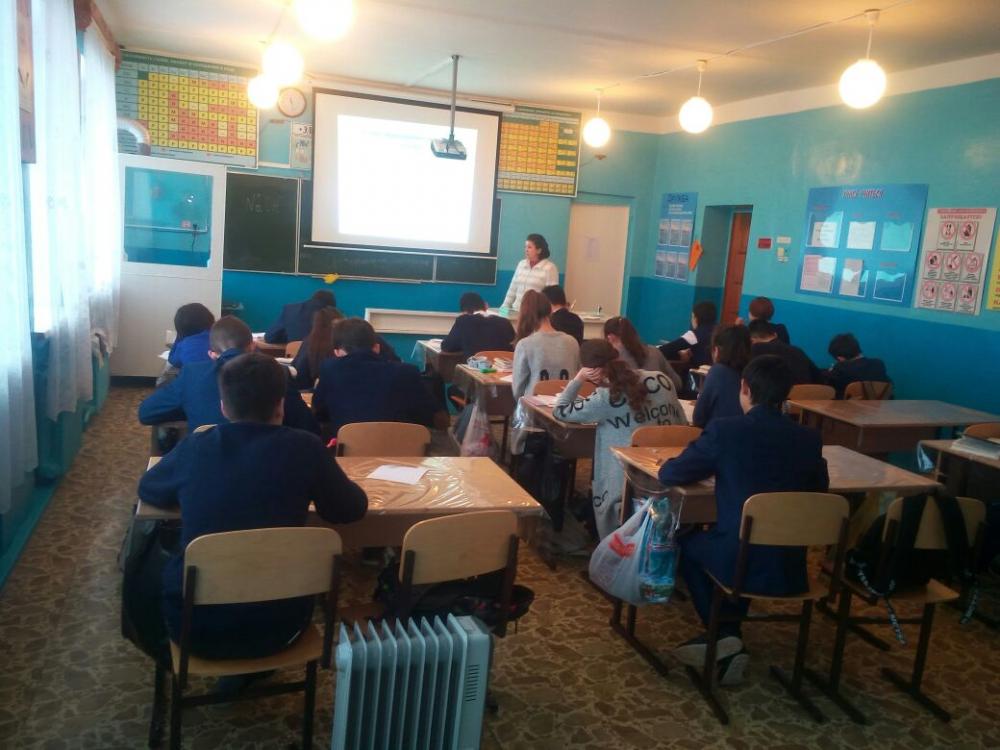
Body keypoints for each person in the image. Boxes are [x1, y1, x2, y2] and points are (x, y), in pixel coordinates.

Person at [138, 353, 367, 663]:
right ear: (281, 406)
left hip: (194, 626)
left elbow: (149, 489)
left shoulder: (196, 447)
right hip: (283, 623)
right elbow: (351, 509)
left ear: (223, 407)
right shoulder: (307, 448)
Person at [658, 355, 829, 684]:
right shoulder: (809, 438)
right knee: (746, 539)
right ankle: (728, 637)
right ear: (787, 393)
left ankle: (724, 633)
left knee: (687, 542)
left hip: (738, 557)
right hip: (791, 565)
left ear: (745, 388)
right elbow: (818, 491)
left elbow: (672, 474)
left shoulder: (727, 431)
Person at [555, 340, 688, 539]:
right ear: (617, 355)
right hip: (672, 469)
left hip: (627, 478)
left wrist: (579, 378)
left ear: (591, 371)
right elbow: (682, 423)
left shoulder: (605, 397)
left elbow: (560, 410)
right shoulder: (661, 379)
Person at [139, 316, 318, 435]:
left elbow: (146, 413)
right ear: (253, 347)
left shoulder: (193, 375)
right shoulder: (277, 373)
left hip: (207, 468)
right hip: (269, 469)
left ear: (212, 354)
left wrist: (191, 404)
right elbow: (310, 429)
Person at [312, 318, 444, 436]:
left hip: (348, 451)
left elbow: (319, 412)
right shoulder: (407, 372)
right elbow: (435, 418)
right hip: (403, 450)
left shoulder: (329, 369)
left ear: (337, 352)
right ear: (376, 348)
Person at [511, 290, 580, 401]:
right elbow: (578, 379)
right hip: (567, 407)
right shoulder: (572, 342)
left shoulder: (524, 345)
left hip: (534, 408)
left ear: (524, 314)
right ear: (549, 310)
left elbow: (517, 391)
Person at [604, 315, 682, 392]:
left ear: (610, 337)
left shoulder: (611, 358)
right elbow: (677, 383)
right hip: (659, 398)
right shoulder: (654, 351)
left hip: (630, 399)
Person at [693, 324, 750, 429]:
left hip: (719, 434)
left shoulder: (718, 371)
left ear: (716, 350)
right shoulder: (752, 374)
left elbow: (698, 418)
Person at [441, 292, 516, 360]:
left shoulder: (463, 321)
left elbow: (447, 347)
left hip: (478, 368)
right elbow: (513, 343)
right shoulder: (505, 322)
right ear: (485, 306)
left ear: (464, 311)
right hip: (504, 368)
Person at [748, 320, 821, 385]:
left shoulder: (756, 351)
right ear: (775, 334)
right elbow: (817, 376)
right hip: (806, 393)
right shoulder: (797, 350)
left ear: (752, 341)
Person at [500, 234, 559, 311]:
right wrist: (503, 310)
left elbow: (552, 296)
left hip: (536, 313)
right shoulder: (521, 264)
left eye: (529, 247)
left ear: (539, 250)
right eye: (525, 247)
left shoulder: (550, 268)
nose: (526, 250)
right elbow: (512, 290)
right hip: (516, 311)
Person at [290, 307, 344, 389]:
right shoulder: (342, 345)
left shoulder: (308, 342)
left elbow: (296, 368)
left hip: (302, 390)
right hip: (328, 390)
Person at [825, 333, 892, 398]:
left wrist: (832, 371)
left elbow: (828, 388)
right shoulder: (878, 364)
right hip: (880, 405)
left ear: (840, 358)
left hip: (848, 405)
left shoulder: (841, 368)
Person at [264, 289, 336, 344]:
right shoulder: (332, 315)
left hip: (291, 354)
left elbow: (270, 337)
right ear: (331, 306)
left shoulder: (290, 310)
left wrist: (290, 340)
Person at [658, 300, 717, 367]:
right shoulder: (719, 331)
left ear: (696, 318)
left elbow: (664, 350)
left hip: (699, 371)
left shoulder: (695, 335)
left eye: (692, 317)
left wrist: (680, 355)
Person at [166, 303, 215, 369]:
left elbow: (172, 360)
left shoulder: (183, 345)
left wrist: (178, 338)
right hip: (220, 374)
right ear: (210, 319)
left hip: (194, 375)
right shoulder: (218, 339)